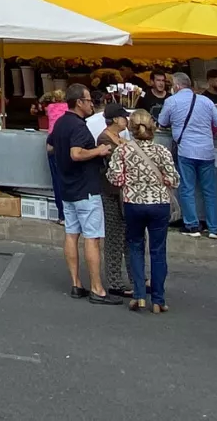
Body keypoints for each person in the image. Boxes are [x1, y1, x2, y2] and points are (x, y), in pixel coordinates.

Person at [48, 83, 118, 303]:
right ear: (79, 102)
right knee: (92, 238)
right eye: (89, 101)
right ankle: (97, 288)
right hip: (85, 189)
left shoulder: (60, 123)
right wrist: (99, 150)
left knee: (71, 233)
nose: (91, 105)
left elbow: (50, 147)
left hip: (67, 187)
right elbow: (76, 153)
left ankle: (76, 283)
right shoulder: (78, 126)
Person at [108, 108, 179, 312]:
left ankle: (139, 295)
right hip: (159, 205)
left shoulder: (122, 151)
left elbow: (115, 179)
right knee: (158, 251)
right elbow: (173, 179)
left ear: (130, 129)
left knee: (135, 247)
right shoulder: (162, 151)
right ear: (152, 128)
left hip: (133, 204)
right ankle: (158, 299)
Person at [156, 73, 217, 238]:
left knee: (187, 188)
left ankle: (192, 226)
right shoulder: (206, 101)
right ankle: (214, 228)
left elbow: (162, 123)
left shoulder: (171, 101)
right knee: (210, 190)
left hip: (186, 150)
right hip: (207, 151)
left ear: (177, 86)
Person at [96, 103, 134, 298]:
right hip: (111, 194)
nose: (126, 120)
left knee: (129, 237)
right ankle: (115, 281)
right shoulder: (104, 139)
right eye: (124, 117)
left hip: (123, 194)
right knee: (114, 237)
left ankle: (135, 278)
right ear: (115, 120)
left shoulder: (120, 138)